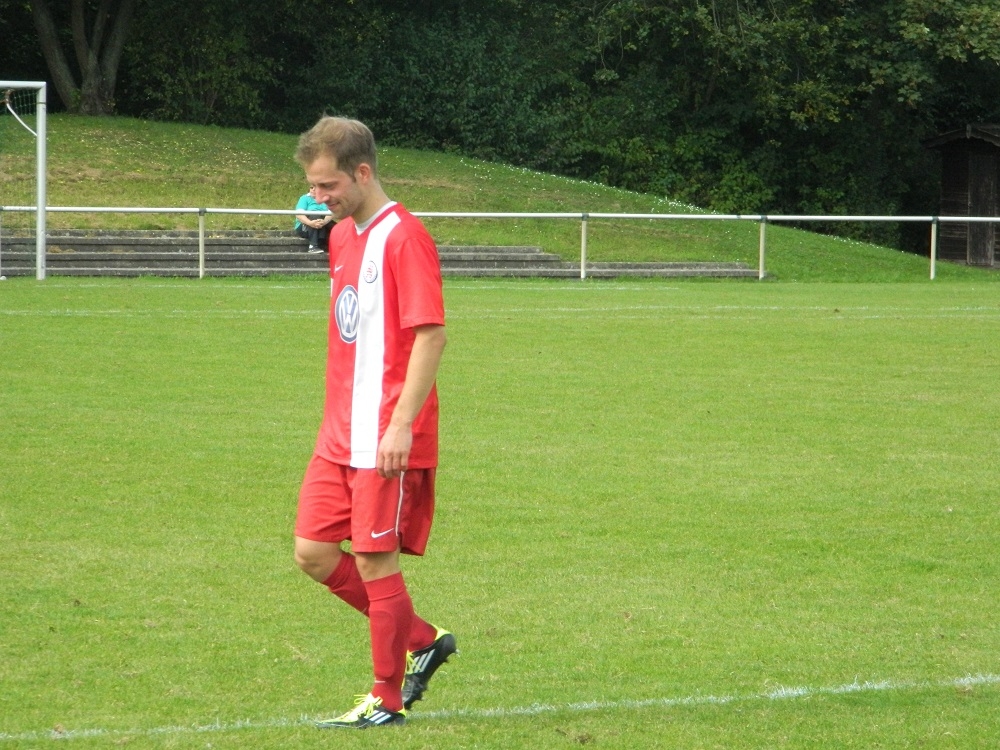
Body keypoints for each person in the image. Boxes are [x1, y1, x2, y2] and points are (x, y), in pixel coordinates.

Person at [292, 116, 456, 730]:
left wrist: (401, 425)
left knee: (373, 560)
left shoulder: (405, 238)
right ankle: (421, 639)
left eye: (328, 185)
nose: (318, 197)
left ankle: (386, 698)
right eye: (313, 186)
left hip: (385, 434)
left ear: (362, 173)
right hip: (338, 431)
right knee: (313, 551)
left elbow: (431, 335)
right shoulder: (341, 236)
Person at [293, 186, 335, 252]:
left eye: (316, 187)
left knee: (337, 226)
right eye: (311, 187)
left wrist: (324, 222)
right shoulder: (304, 198)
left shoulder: (326, 200)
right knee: (315, 216)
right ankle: (313, 246)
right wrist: (310, 223)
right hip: (305, 226)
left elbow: (331, 213)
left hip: (322, 223)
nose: (313, 189)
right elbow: (299, 214)